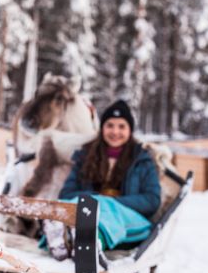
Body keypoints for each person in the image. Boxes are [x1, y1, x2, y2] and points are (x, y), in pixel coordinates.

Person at [44, 99, 161, 260]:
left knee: (100, 205)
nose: (115, 131)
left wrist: (111, 202)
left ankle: (89, 240)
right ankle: (60, 235)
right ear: (102, 128)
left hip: (129, 221)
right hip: (89, 211)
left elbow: (152, 200)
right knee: (82, 204)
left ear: (130, 130)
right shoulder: (85, 156)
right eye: (110, 125)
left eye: (121, 126)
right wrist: (94, 199)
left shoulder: (142, 159)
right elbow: (67, 193)